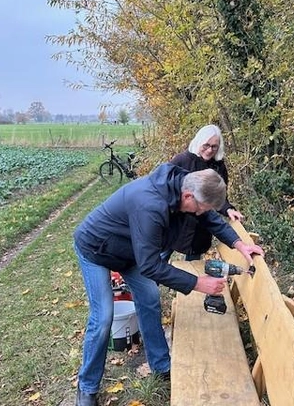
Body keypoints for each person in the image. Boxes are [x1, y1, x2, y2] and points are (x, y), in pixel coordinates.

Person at [72, 163, 265, 406]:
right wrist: (197, 283)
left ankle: (161, 364)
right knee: (102, 318)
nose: (198, 213)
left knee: (150, 298)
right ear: (187, 196)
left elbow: (209, 219)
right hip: (96, 248)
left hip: (131, 250)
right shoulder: (150, 205)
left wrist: (239, 244)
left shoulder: (187, 186)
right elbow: (150, 266)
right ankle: (87, 387)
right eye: (199, 208)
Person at [165, 124, 245, 262]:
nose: (209, 150)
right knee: (162, 255)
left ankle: (187, 282)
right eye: (206, 145)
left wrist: (228, 209)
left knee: (193, 263)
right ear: (198, 142)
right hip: (176, 221)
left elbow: (219, 198)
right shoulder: (182, 160)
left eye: (214, 146)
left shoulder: (219, 166)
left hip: (200, 225)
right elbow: (165, 187)